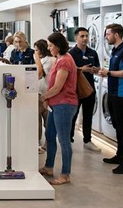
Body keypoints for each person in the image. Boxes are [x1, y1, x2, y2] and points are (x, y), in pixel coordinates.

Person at [39, 32, 78, 185]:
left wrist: (44, 97)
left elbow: (57, 87)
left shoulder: (65, 62)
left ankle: (65, 174)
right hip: (56, 104)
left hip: (64, 105)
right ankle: (49, 166)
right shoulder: (58, 59)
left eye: (51, 46)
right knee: (49, 135)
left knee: (64, 140)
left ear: (58, 45)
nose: (49, 49)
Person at [98, 23, 123, 174]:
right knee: (117, 126)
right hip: (113, 92)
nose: (106, 37)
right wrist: (104, 72)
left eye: (108, 34)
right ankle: (120, 156)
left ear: (116, 35)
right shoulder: (115, 50)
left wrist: (109, 73)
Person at [68, 27, 101, 151]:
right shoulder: (71, 54)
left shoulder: (93, 53)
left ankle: (87, 140)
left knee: (88, 115)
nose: (85, 38)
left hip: (89, 89)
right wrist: (82, 69)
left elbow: (97, 68)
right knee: (73, 114)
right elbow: (69, 70)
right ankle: (69, 138)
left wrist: (95, 70)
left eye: (86, 36)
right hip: (75, 89)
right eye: (82, 36)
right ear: (76, 37)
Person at [33, 39, 55, 154]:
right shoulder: (41, 60)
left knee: (48, 122)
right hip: (38, 93)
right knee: (36, 121)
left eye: (37, 50)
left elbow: (40, 74)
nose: (35, 52)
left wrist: (36, 58)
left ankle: (48, 145)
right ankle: (36, 143)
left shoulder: (50, 60)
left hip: (47, 94)